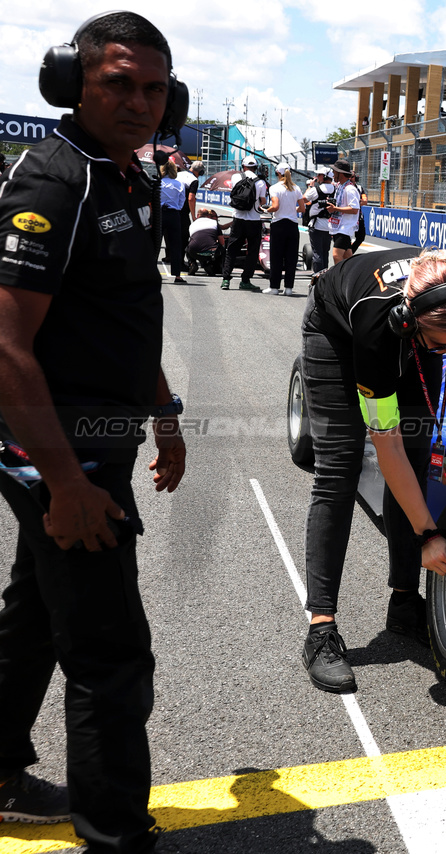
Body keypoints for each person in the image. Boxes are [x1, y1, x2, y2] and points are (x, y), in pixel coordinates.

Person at [0, 11, 187, 849]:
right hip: (58, 456)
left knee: (35, 617)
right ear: (73, 84)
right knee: (112, 658)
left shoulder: (128, 178)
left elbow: (123, 316)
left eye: (155, 89)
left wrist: (164, 415)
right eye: (119, 83)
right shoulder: (55, 182)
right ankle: (115, 833)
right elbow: (4, 349)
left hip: (95, 442)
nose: (140, 103)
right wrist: (66, 484)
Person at [298, 247, 446, 692]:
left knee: (419, 456)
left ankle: (405, 605)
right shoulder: (376, 328)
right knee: (338, 472)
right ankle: (321, 628)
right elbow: (387, 447)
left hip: (419, 332)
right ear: (411, 324)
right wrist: (428, 533)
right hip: (338, 331)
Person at [220, 154, 267, 291]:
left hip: (238, 220)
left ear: (243, 166)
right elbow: (263, 201)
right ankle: (245, 280)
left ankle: (225, 279)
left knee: (232, 250)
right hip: (254, 220)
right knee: (252, 252)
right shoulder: (261, 182)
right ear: (256, 167)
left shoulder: (236, 177)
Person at [266, 164, 305, 296]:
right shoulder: (296, 187)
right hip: (293, 225)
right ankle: (288, 288)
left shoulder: (274, 188)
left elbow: (275, 206)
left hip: (278, 224)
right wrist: (292, 210)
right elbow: (303, 208)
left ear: (278, 173)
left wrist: (266, 209)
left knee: (276, 257)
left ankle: (274, 287)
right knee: (291, 258)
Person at [326, 158, 362, 266]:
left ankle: (340, 280)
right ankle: (351, 279)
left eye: (334, 172)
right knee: (347, 257)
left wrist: (335, 209)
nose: (332, 174)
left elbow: (355, 209)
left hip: (345, 227)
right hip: (339, 226)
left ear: (340, 173)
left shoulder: (350, 189)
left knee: (337, 255)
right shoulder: (341, 186)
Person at [158, 159, 189, 283]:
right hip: (174, 214)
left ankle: (151, 274)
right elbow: (181, 202)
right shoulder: (179, 184)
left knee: (155, 245)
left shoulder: (158, 183)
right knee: (176, 245)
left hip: (159, 214)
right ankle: (177, 275)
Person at [303, 166, 335, 285]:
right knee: (325, 252)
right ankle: (324, 278)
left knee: (317, 253)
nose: (317, 177)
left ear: (324, 176)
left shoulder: (315, 189)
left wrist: (310, 186)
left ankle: (317, 280)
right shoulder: (336, 189)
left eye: (319, 175)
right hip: (330, 226)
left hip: (316, 225)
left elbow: (303, 199)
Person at [185, 208, 224, 276]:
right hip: (211, 252)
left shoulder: (192, 225)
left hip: (194, 252)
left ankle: (192, 263)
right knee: (221, 248)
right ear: (208, 216)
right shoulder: (214, 223)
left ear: (197, 215)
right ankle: (210, 265)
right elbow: (222, 241)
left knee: (188, 247)